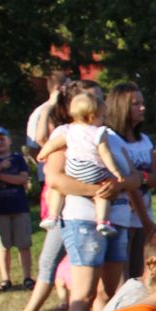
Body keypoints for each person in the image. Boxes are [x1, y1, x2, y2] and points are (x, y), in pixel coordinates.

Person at [0, 81, 132, 311]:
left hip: (117, 219)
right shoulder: (67, 133)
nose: (98, 104)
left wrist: (120, 184)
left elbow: (133, 176)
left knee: (109, 294)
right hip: (84, 220)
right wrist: (100, 191)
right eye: (91, 98)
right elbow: (55, 179)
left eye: (100, 98)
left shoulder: (109, 135)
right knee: (83, 295)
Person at [37, 91, 129, 236]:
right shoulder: (99, 132)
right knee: (102, 193)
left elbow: (53, 144)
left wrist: (42, 154)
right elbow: (105, 154)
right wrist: (116, 172)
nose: (104, 120)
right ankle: (103, 221)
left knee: (57, 190)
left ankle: (52, 215)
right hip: (94, 170)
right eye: (102, 116)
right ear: (92, 116)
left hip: (74, 168)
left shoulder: (69, 131)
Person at [107, 83, 156, 278]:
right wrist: (138, 180)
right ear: (120, 107)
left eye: (142, 103)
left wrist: (140, 178)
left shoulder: (144, 140)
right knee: (121, 276)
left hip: (144, 214)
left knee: (139, 272)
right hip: (121, 216)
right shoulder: (111, 139)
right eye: (136, 104)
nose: (142, 108)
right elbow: (124, 182)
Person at [0, 126, 34, 291]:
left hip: (19, 207)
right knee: (3, 246)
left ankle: (27, 277)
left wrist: (0, 176)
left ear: (9, 140)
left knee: (23, 244)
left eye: (1, 139)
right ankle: (6, 279)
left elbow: (22, 179)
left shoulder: (18, 159)